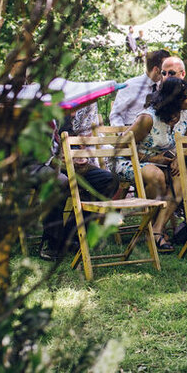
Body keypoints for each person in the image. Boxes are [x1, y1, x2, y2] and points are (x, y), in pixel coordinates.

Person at [117, 77, 187, 251]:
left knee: (180, 175)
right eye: (185, 97)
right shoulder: (148, 118)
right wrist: (151, 159)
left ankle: (156, 230)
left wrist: (176, 157)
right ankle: (151, 229)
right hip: (131, 161)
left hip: (163, 163)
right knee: (155, 174)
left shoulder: (185, 115)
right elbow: (120, 148)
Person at [38, 104, 118, 260]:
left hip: (68, 163)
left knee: (109, 180)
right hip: (44, 164)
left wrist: (79, 157)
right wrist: (60, 161)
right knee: (59, 183)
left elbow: (71, 142)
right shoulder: (40, 115)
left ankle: (72, 234)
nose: (74, 114)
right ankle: (52, 242)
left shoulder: (66, 117)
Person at [109, 49, 171, 127]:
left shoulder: (165, 87)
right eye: (166, 69)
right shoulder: (130, 85)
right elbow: (116, 115)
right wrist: (124, 135)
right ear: (156, 70)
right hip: (132, 131)